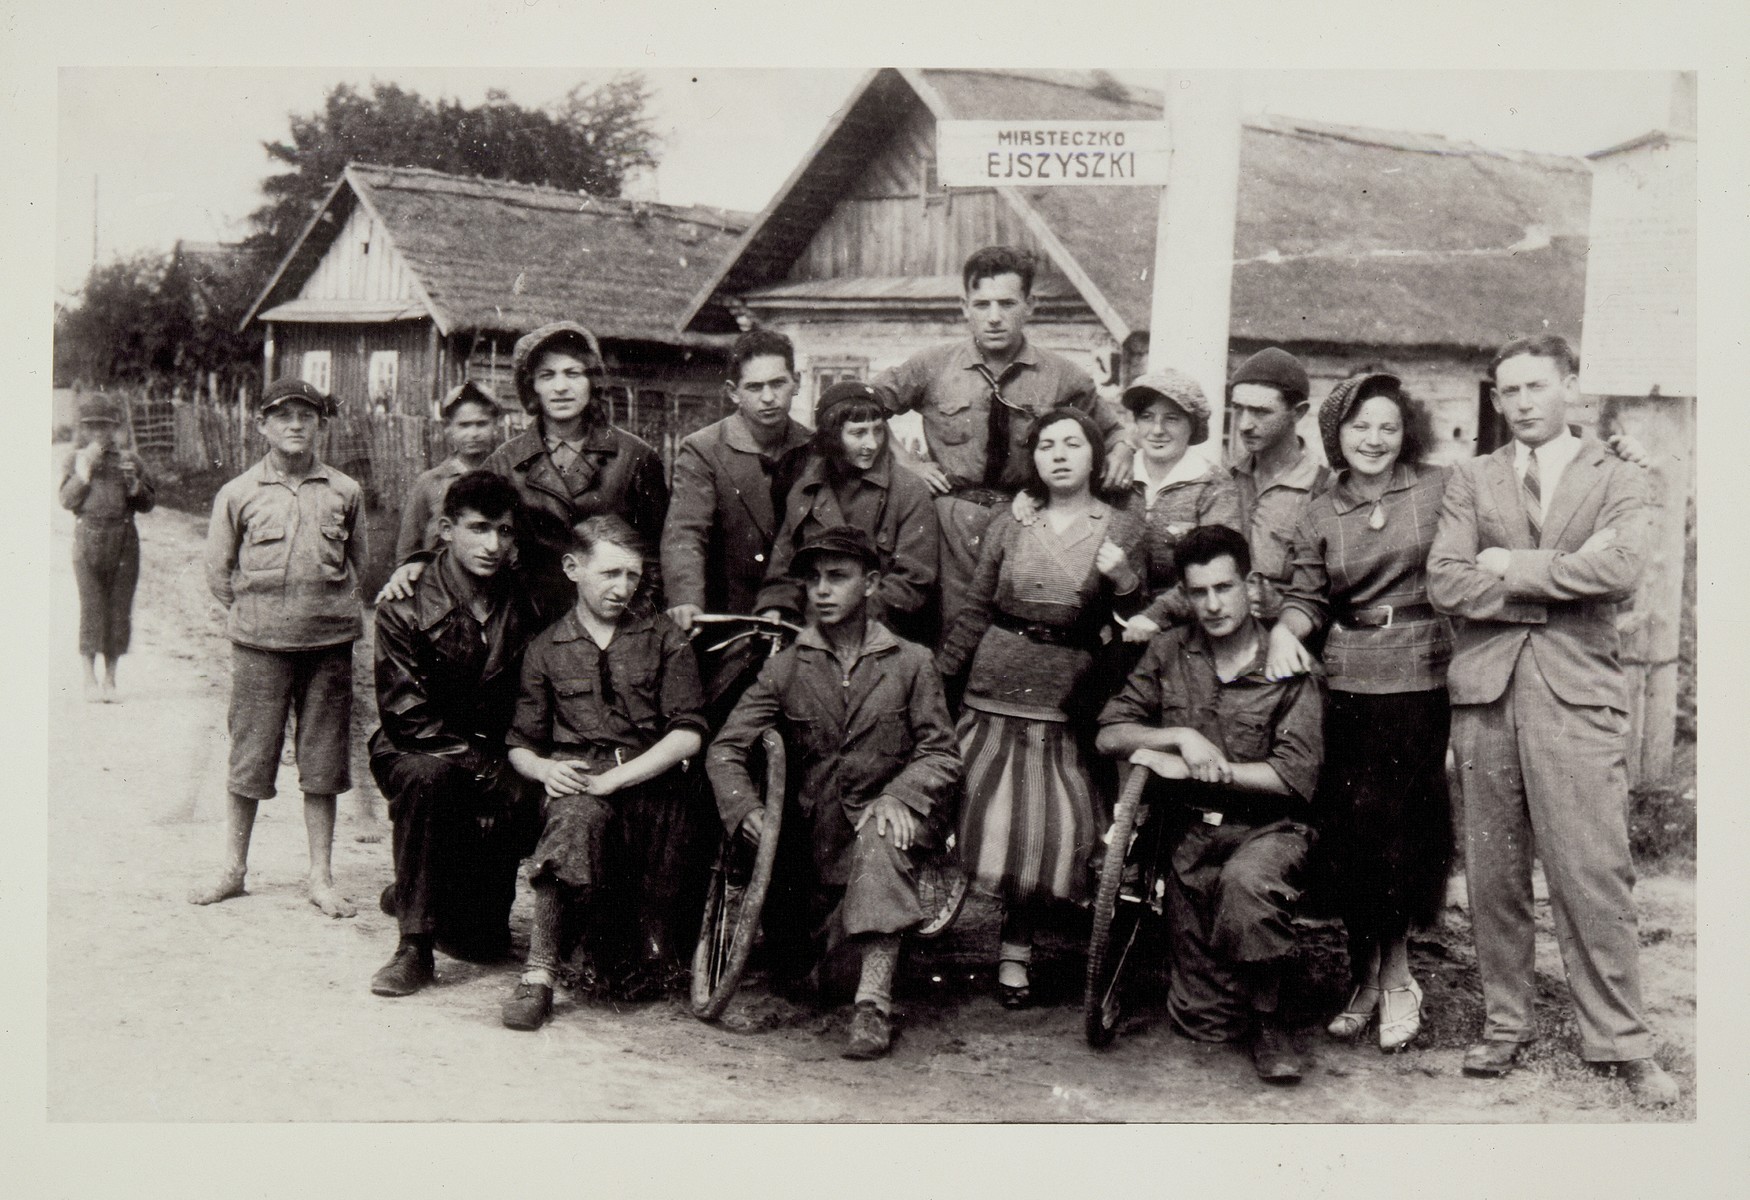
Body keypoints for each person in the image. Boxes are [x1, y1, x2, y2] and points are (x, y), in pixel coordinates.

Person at [1427, 334, 1678, 1106]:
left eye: (1537, 386)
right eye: (1509, 391)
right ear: (1496, 400)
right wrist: (1560, 581)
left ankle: (1621, 1038)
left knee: (1592, 870)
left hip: (1577, 695)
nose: (1524, 403)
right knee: (1495, 873)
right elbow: (1446, 580)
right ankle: (1506, 1024)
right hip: (1487, 697)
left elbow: (1623, 569)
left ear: (1571, 387)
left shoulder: (1619, 475)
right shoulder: (1472, 477)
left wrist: (1509, 565)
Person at [708, 526, 962, 1060]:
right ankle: (858, 961)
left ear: (870, 584)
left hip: (888, 837)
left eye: (838, 578)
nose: (821, 590)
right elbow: (725, 750)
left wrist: (900, 794)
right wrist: (745, 808)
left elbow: (940, 753)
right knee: (808, 982)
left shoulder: (911, 662)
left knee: (881, 831)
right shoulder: (785, 668)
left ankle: (873, 1007)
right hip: (812, 851)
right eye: (813, 579)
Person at [1095, 525, 1324, 1083]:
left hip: (1269, 830)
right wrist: (1176, 739)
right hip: (1192, 838)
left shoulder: (1289, 665)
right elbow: (1109, 733)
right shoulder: (1170, 650)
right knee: (1205, 1023)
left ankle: (1272, 1020)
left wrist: (1211, 767)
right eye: (1198, 592)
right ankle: (1251, 974)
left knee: (1245, 886)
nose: (1213, 604)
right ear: (1184, 593)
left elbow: (1292, 779)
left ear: (1251, 584)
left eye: (1225, 588)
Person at [1265, 372, 1453, 1053]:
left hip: (1421, 678)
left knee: (1402, 833)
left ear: (1407, 434)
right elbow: (1308, 596)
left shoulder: (1439, 488)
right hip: (1348, 682)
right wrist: (1288, 626)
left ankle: (1400, 977)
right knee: (1354, 837)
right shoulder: (1321, 509)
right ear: (1336, 433)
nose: (1374, 440)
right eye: (1359, 427)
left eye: (1388, 427)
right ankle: (1365, 977)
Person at [937, 407, 1145, 1007]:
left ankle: (1016, 952)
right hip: (997, 681)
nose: (1059, 454)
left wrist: (1127, 579)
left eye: (1072, 443)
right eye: (1047, 444)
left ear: (1095, 456)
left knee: (1045, 827)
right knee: (981, 813)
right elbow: (977, 606)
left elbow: (1144, 619)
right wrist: (942, 674)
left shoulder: (1123, 527)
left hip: (1067, 690)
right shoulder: (1011, 521)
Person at [501, 516, 707, 1029]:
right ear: (572, 568)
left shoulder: (664, 637)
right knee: (573, 818)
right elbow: (519, 744)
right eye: (610, 573)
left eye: (633, 577)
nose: (622, 588)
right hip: (582, 786)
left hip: (654, 786)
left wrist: (616, 779)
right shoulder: (546, 648)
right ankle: (539, 974)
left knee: (646, 965)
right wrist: (545, 769)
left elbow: (688, 733)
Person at [869, 245, 1134, 636]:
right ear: (964, 307)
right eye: (982, 304)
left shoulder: (1063, 376)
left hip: (1025, 516)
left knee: (1011, 629)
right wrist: (906, 463)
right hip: (948, 521)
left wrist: (1124, 449)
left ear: (1030, 306)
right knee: (945, 626)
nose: (994, 318)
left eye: (1007, 304)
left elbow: (1112, 431)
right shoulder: (932, 365)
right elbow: (864, 405)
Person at [190, 377, 365, 918]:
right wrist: (261, 620)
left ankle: (320, 876)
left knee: (323, 762)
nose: (295, 425)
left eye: (306, 416)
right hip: (259, 647)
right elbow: (219, 575)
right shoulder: (238, 493)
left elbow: (361, 563)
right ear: (262, 424)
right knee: (250, 756)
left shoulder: (344, 491)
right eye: (283, 416)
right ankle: (233, 870)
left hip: (329, 645)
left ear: (320, 425)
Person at [367, 471, 542, 996]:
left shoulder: (527, 600)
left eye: (506, 532)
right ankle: (413, 948)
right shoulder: (404, 603)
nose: (493, 545)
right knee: (429, 778)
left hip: (494, 752)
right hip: (416, 747)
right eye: (479, 528)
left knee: (482, 944)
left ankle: (416, 891)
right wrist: (492, 774)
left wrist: (510, 763)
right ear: (445, 529)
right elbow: (408, 716)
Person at [381, 322, 669, 618]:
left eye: (573, 373)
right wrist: (420, 562)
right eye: (547, 375)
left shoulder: (635, 457)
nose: (560, 387)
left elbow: (658, 554)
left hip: (617, 617)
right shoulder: (504, 462)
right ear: (532, 387)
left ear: (591, 381)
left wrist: (638, 620)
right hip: (531, 622)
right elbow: (471, 535)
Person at [755, 380, 940, 644]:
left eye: (878, 431)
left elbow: (913, 581)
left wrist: (848, 622)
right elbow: (784, 570)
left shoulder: (909, 491)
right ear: (832, 436)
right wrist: (776, 607)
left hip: (882, 636)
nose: (872, 444)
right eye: (859, 433)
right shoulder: (806, 490)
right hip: (809, 633)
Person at [1103, 369, 1242, 642]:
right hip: (1108, 627)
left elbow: (1215, 573)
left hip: (1183, 634)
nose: (1157, 430)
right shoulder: (1113, 475)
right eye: (1147, 417)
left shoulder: (1213, 486)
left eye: (1172, 419)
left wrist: (1155, 615)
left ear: (1193, 427)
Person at [59, 393, 156, 702]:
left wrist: (135, 488)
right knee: (91, 607)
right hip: (87, 538)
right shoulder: (75, 458)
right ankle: (89, 679)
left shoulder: (131, 460)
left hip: (124, 540)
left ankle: (111, 680)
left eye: (106, 426)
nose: (100, 433)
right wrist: (84, 472)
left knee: (118, 609)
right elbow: (66, 501)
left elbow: (148, 504)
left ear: (116, 427)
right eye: (92, 427)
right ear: (85, 429)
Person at [1224, 348, 1331, 620]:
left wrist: (1283, 608)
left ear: (1298, 413)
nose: (1244, 425)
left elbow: (1342, 592)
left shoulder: (1324, 490)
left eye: (1260, 412)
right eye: (1238, 409)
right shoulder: (1226, 479)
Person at [393, 381, 503, 561]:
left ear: (495, 427)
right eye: (464, 425)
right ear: (448, 429)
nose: (473, 433)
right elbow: (407, 552)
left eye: (481, 424)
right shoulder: (429, 483)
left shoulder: (506, 476)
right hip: (439, 584)